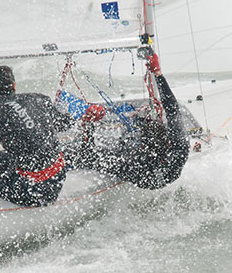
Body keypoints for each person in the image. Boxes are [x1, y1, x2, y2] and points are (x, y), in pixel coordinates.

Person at [0, 65, 103, 206]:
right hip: (58, 175)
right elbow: (64, 124)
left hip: (38, 192)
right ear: (14, 85)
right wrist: (86, 116)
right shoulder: (39, 99)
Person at [72, 47, 189, 190]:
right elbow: (173, 109)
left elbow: (90, 159)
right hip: (156, 177)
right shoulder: (179, 150)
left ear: (142, 145)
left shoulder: (133, 166)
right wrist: (157, 74)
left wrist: (88, 124)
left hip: (143, 175)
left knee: (99, 156)